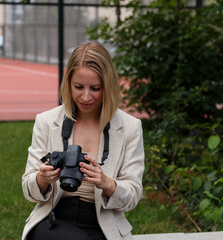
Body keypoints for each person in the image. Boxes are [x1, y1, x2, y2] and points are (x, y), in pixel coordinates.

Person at [22, 42, 145, 240]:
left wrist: (107, 183)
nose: (86, 97)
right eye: (78, 87)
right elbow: (28, 190)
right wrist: (42, 178)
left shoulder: (130, 127)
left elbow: (133, 196)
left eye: (95, 88)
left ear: (108, 86)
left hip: (103, 225)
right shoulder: (46, 121)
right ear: (68, 83)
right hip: (53, 220)